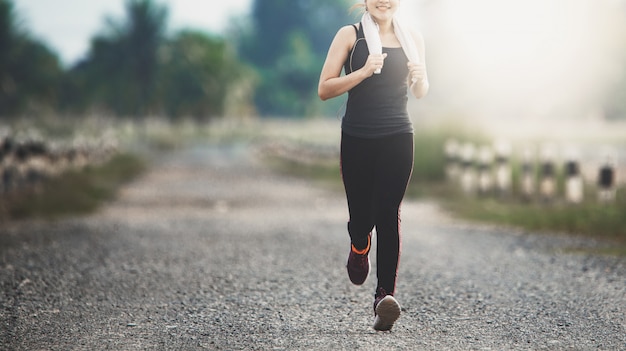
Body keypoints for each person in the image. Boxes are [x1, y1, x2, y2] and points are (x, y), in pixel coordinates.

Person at [318, 0, 429, 331]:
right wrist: (364, 71)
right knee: (362, 217)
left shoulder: (412, 37)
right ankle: (358, 244)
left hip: (398, 135)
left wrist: (421, 79)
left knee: (388, 212)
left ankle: (384, 299)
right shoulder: (350, 36)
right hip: (357, 138)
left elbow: (420, 92)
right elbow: (324, 89)